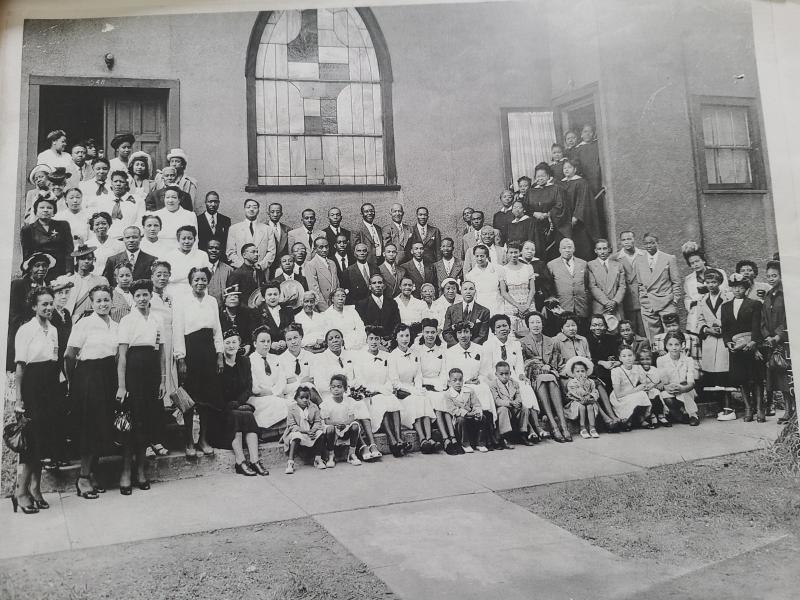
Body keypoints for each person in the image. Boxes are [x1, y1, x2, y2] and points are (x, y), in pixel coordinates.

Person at [65, 284, 118, 499]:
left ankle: (91, 473)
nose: (103, 304)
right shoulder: (84, 324)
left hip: (109, 377)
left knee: (102, 426)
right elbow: (69, 355)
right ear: (92, 302)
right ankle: (83, 477)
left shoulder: (116, 325)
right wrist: (72, 381)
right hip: (87, 377)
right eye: (98, 300)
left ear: (111, 301)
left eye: (106, 299)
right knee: (89, 427)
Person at [11, 287, 62, 514]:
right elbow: (20, 367)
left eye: (51, 303)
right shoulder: (25, 330)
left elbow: (54, 360)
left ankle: (35, 488)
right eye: (44, 304)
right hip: (32, 386)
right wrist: (18, 399)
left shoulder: (53, 330)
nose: (49, 308)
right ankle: (20, 492)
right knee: (31, 441)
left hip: (49, 386)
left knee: (44, 441)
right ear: (34, 306)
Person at [114, 279, 165, 494]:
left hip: (151, 373)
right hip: (133, 371)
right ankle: (126, 472)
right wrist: (122, 385)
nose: (143, 299)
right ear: (133, 299)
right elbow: (122, 356)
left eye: (146, 294)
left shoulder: (157, 319)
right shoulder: (127, 321)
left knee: (146, 422)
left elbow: (161, 351)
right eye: (138, 296)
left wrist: (163, 379)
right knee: (131, 423)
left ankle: (141, 471)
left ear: (150, 296)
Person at [173, 267, 224, 457]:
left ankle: (203, 439)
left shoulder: (211, 301)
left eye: (203, 279)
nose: (200, 283)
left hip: (209, 352)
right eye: (196, 280)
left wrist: (219, 355)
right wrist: (181, 359)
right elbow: (178, 330)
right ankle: (189, 442)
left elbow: (217, 330)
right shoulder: (182, 302)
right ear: (190, 282)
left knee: (208, 400)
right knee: (189, 400)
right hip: (191, 351)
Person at [443, 321, 497, 448]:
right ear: (456, 335)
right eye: (460, 332)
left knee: (484, 390)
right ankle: (469, 438)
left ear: (471, 333)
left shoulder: (480, 349)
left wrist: (480, 379)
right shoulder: (450, 352)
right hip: (459, 385)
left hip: (477, 383)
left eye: (466, 332)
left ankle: (487, 436)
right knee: (468, 391)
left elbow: (485, 371)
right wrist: (465, 381)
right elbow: (448, 374)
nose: (463, 335)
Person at [220, 329, 263, 476]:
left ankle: (255, 460)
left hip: (238, 405)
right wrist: (229, 404)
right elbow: (216, 390)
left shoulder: (244, 361)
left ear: (239, 344)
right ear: (222, 344)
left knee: (248, 415)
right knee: (236, 415)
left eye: (234, 342)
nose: (231, 346)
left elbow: (248, 388)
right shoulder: (218, 363)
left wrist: (238, 402)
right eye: (227, 343)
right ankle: (240, 461)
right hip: (222, 410)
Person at [389, 324, 438, 452]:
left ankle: (429, 438)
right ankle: (422, 440)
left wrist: (418, 388)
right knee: (415, 401)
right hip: (402, 394)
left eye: (407, 335)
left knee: (424, 399)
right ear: (396, 338)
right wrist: (412, 391)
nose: (405, 339)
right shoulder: (392, 356)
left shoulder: (415, 353)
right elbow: (395, 382)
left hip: (414, 389)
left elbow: (418, 374)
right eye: (401, 336)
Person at [721, 273, 763, 421]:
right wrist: (728, 343)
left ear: (746, 288)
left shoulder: (755, 304)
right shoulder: (725, 307)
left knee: (756, 378)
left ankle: (760, 408)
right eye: (734, 287)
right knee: (742, 379)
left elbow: (757, 325)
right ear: (730, 289)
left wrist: (754, 342)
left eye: (740, 287)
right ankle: (748, 408)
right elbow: (725, 329)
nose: (737, 290)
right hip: (736, 349)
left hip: (751, 347)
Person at [521, 311, 568, 441]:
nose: (535, 325)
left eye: (538, 322)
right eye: (532, 322)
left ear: (543, 324)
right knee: (543, 378)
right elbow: (524, 362)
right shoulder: (522, 342)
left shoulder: (551, 341)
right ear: (528, 325)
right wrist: (539, 366)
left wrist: (550, 367)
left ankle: (563, 426)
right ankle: (554, 426)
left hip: (551, 375)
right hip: (533, 376)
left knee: (551, 378)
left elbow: (556, 361)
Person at [7, 252, 54, 372]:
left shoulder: (48, 287)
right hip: (23, 335)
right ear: (30, 268)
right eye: (37, 265)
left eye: (44, 265)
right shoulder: (19, 285)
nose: (41, 269)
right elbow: (13, 314)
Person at [760, 260, 793, 424]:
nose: (771, 279)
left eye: (774, 275)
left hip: (784, 342)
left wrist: (778, 336)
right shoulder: (768, 295)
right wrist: (766, 335)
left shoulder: (786, 294)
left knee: (787, 377)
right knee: (777, 377)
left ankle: (789, 410)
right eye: (768, 276)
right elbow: (763, 319)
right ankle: (787, 409)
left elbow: (789, 319)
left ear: (781, 275)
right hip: (771, 344)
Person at [695, 269, 732, 413]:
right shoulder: (702, 300)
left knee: (725, 374)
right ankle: (718, 406)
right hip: (710, 341)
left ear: (720, 283)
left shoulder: (727, 298)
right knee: (713, 375)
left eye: (714, 282)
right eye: (708, 282)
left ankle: (729, 406)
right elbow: (699, 321)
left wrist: (724, 328)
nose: (711, 285)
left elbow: (732, 317)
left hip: (724, 339)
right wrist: (707, 330)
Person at [635, 233, 681, 342]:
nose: (649, 246)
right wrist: (644, 299)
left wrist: (675, 300)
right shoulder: (639, 260)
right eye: (646, 243)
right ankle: (657, 357)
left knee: (671, 334)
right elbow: (640, 283)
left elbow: (676, 281)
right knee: (653, 337)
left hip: (666, 301)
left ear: (657, 243)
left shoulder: (668, 258)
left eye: (652, 243)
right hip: (648, 304)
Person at [149, 260, 179, 422]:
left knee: (171, 372)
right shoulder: (147, 297)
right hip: (155, 341)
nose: (162, 278)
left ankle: (169, 409)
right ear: (152, 276)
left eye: (165, 275)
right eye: (158, 275)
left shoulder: (169, 297)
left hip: (170, 340)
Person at [246, 327, 288, 439]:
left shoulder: (275, 358)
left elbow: (282, 379)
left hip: (275, 394)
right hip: (258, 397)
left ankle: (277, 432)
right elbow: (255, 388)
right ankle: (268, 432)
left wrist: (274, 392)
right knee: (276, 403)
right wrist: (270, 392)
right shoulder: (249, 361)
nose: (266, 344)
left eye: (268, 341)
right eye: (262, 341)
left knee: (286, 403)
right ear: (255, 343)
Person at [21, 195, 73, 280]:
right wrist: (29, 273)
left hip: (61, 270)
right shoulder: (28, 229)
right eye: (42, 207)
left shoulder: (63, 225)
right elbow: (27, 254)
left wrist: (69, 271)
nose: (45, 210)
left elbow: (69, 250)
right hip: (40, 270)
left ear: (54, 211)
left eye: (49, 208)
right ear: (36, 210)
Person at [681, 242, 729, 334]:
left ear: (703, 260)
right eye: (692, 263)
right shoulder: (688, 279)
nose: (695, 264)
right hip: (698, 314)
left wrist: (708, 291)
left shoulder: (719, 272)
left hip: (717, 310)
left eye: (697, 261)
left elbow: (725, 291)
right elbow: (688, 297)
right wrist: (692, 305)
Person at [283, 385, 329, 474]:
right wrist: (305, 431)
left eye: (307, 397)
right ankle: (290, 462)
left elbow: (317, 421)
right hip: (299, 431)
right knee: (295, 436)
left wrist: (313, 430)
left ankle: (318, 458)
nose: (305, 400)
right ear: (296, 398)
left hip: (310, 432)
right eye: (301, 398)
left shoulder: (314, 407)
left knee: (320, 433)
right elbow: (292, 425)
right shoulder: (292, 409)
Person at [320, 374, 364, 467]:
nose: (336, 389)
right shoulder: (326, 403)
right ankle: (331, 455)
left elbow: (352, 418)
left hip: (346, 428)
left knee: (355, 425)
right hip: (333, 430)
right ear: (330, 389)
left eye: (339, 387)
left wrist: (344, 424)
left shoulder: (350, 401)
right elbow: (327, 421)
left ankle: (351, 454)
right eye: (333, 387)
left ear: (345, 389)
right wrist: (337, 424)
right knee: (330, 428)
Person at [561, 157, 600, 260]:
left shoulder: (581, 182)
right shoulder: (561, 184)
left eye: (569, 167)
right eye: (564, 168)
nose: (566, 170)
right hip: (566, 221)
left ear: (575, 169)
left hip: (579, 222)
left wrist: (576, 216)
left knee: (582, 246)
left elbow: (582, 201)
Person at [528, 162, 569, 262]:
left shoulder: (555, 189)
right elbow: (526, 207)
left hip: (551, 224)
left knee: (552, 252)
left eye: (543, 176)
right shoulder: (531, 191)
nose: (540, 178)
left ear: (548, 176)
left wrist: (547, 214)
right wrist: (534, 213)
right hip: (535, 226)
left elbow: (560, 205)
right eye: (538, 176)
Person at [657, 332, 700, 426]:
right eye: (670, 345)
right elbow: (663, 380)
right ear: (666, 346)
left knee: (685, 393)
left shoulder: (688, 360)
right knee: (666, 397)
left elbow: (691, 382)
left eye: (677, 344)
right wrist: (666, 387)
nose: (674, 347)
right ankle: (682, 414)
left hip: (685, 388)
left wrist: (682, 388)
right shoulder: (661, 360)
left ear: (682, 345)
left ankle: (693, 415)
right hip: (670, 389)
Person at [489, 361, 534, 448]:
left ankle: (523, 433)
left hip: (513, 408)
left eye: (506, 374)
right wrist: (510, 403)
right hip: (501, 410)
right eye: (501, 374)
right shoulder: (493, 385)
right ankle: (505, 437)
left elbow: (518, 396)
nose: (504, 376)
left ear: (510, 373)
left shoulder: (514, 383)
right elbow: (497, 400)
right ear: (496, 374)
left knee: (524, 408)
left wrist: (517, 402)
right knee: (503, 409)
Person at [609, 347, 656, 429]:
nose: (628, 358)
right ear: (620, 358)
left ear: (634, 357)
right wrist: (636, 389)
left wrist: (643, 386)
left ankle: (640, 419)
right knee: (638, 395)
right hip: (620, 397)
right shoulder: (616, 371)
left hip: (632, 393)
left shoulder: (637, 368)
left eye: (630, 355)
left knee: (643, 394)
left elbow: (643, 383)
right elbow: (618, 394)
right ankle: (628, 420)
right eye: (624, 356)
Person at [547, 238, 590, 326]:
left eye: (569, 247)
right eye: (564, 248)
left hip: (581, 306)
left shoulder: (583, 264)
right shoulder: (551, 265)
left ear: (574, 249)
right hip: (563, 306)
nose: (567, 250)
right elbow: (550, 287)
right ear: (559, 250)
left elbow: (587, 284)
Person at [161, 225, 211, 299]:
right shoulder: (169, 256)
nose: (187, 242)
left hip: (196, 292)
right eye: (183, 239)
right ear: (178, 239)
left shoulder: (202, 255)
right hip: (174, 293)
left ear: (194, 239)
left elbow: (206, 277)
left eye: (190, 238)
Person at [586, 239, 626, 330]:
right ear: (595, 251)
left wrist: (615, 301)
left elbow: (622, 286)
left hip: (616, 305)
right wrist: (606, 302)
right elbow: (592, 286)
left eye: (605, 248)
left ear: (609, 249)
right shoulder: (590, 265)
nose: (602, 252)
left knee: (618, 331)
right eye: (599, 249)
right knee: (601, 330)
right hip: (600, 305)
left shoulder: (618, 265)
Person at [445, 368, 487, 454]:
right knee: (461, 419)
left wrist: (477, 412)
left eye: (460, 380)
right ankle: (465, 444)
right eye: (454, 380)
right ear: (449, 382)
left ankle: (480, 443)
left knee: (483, 418)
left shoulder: (469, 390)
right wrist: (466, 413)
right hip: (458, 419)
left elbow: (476, 404)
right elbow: (453, 410)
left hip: (471, 416)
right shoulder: (448, 394)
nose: (458, 382)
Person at [226, 199, 276, 271]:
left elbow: (271, 252)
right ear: (244, 209)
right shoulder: (234, 229)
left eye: (255, 207)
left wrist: (261, 265)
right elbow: (230, 252)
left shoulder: (267, 229)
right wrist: (243, 267)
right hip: (240, 271)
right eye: (248, 207)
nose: (251, 209)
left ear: (258, 210)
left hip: (261, 271)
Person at [64, 244, 110, 321]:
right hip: (70, 320)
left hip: (92, 319)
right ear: (77, 260)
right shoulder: (67, 280)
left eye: (89, 259)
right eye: (83, 258)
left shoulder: (101, 281)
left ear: (93, 260)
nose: (86, 261)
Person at [499, 241, 536, 331]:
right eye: (511, 252)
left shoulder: (528, 267)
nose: (514, 255)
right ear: (507, 254)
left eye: (516, 252)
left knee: (530, 330)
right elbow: (504, 292)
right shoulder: (503, 270)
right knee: (514, 333)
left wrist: (527, 306)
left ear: (520, 253)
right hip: (512, 306)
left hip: (528, 305)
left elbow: (532, 289)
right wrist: (518, 306)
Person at [616, 230, 647, 336]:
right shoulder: (616, 258)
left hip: (644, 299)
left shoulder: (644, 254)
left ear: (634, 240)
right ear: (620, 242)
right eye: (624, 240)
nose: (626, 242)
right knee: (630, 331)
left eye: (629, 239)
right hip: (627, 300)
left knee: (645, 330)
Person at [442, 280, 490, 346]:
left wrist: (470, 347)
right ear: (461, 292)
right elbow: (446, 332)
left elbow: (483, 335)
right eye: (465, 289)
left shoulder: (484, 311)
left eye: (471, 289)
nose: (468, 292)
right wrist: (458, 346)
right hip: (455, 349)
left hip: (475, 349)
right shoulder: (451, 309)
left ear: (475, 292)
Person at [563, 356, 600, 440]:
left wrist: (590, 396)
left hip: (588, 400)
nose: (580, 373)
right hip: (576, 401)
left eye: (582, 371)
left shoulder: (590, 382)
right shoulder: (572, 383)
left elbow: (594, 391)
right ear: (573, 373)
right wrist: (583, 392)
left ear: (586, 372)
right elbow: (574, 392)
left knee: (590, 406)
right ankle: (582, 427)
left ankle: (592, 427)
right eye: (577, 371)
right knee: (582, 407)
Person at [277, 323, 317, 400]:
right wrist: (300, 382)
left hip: (310, 396)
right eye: (289, 339)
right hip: (290, 398)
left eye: (295, 338)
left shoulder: (311, 356)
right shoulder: (280, 360)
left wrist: (292, 382)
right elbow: (282, 389)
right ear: (285, 341)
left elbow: (313, 381)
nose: (293, 342)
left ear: (301, 337)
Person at [256, 280, 295, 351]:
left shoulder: (288, 310)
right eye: (269, 294)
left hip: (287, 350)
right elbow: (255, 336)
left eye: (275, 294)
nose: (273, 297)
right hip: (266, 351)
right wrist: (270, 344)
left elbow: (293, 330)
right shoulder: (257, 313)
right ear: (264, 297)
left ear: (279, 294)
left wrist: (286, 341)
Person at [466, 244, 504, 315]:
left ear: (487, 256)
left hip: (497, 305)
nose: (479, 259)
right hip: (480, 306)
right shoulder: (471, 275)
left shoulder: (498, 269)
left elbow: (503, 290)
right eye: (477, 256)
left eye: (482, 256)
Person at [304, 237, 339, 312]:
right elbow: (315, 290)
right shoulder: (311, 265)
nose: (324, 250)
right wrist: (326, 310)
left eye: (326, 246)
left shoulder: (332, 263)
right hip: (323, 308)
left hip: (335, 305)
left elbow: (337, 284)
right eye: (321, 247)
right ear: (315, 249)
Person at [219, 285, 255, 353]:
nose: (233, 298)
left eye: (235, 297)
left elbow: (249, 334)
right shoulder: (219, 315)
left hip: (243, 349)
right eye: (229, 296)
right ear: (224, 301)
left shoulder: (246, 314)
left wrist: (248, 346)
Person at [573, 124, 602, 197]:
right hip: (586, 178)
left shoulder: (598, 144)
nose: (588, 134)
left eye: (590, 131)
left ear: (594, 134)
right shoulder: (578, 149)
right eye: (585, 131)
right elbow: (576, 165)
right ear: (581, 134)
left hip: (599, 176)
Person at [206, 238, 234, 306]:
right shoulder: (199, 268)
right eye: (210, 248)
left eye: (217, 248)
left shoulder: (228, 270)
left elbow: (231, 294)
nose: (213, 250)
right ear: (206, 250)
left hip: (222, 311)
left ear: (221, 251)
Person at [267, 202, 290, 275]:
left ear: (281, 214)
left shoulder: (288, 229)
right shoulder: (262, 229)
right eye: (272, 212)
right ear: (268, 213)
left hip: (281, 267)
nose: (275, 214)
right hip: (266, 267)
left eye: (278, 212)